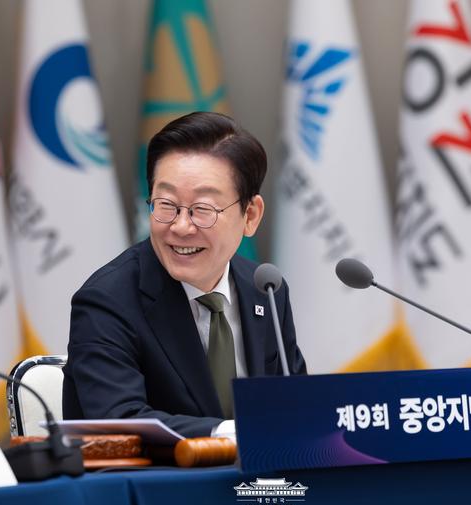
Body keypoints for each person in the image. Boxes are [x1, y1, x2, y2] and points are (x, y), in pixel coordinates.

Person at [62, 112, 307, 438]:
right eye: (166, 205)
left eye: (202, 209)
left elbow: (296, 405)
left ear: (250, 215)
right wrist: (235, 433)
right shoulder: (107, 301)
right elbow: (121, 421)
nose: (180, 226)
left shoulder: (265, 289)